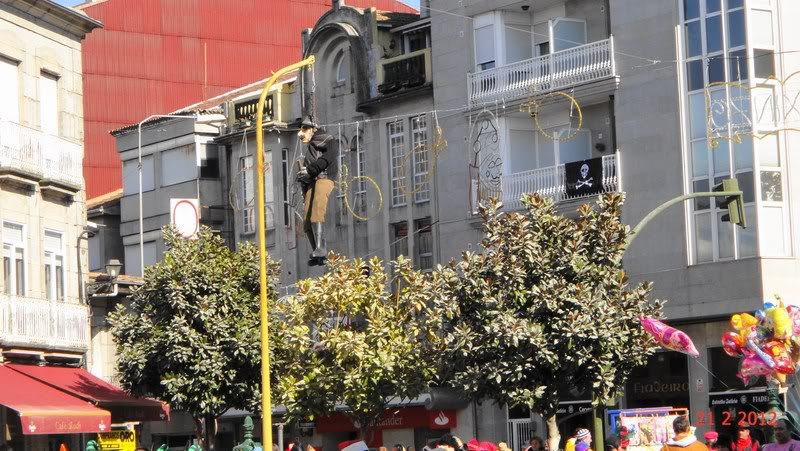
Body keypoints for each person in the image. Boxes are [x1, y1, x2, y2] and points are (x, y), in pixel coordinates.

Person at [296, 116, 339, 266]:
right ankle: (318, 253)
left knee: (316, 211)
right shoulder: (311, 148)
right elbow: (310, 168)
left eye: (305, 129)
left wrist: (311, 169)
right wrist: (304, 175)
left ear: (313, 129)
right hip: (313, 181)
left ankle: (321, 248)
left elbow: (329, 157)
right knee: (307, 219)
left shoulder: (327, 139)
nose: (301, 133)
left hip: (325, 178)